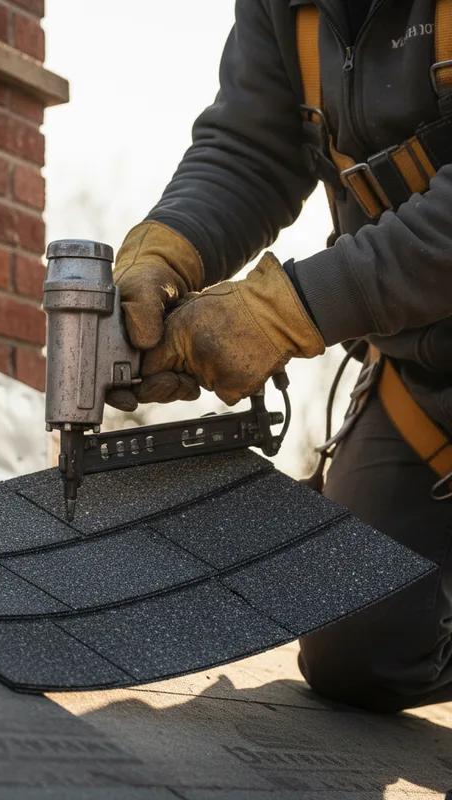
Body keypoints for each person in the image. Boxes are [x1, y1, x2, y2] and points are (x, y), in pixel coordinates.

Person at [109, 0, 452, 712]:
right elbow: (249, 151)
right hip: (423, 377)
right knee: (360, 649)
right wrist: (166, 251)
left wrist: (285, 312)